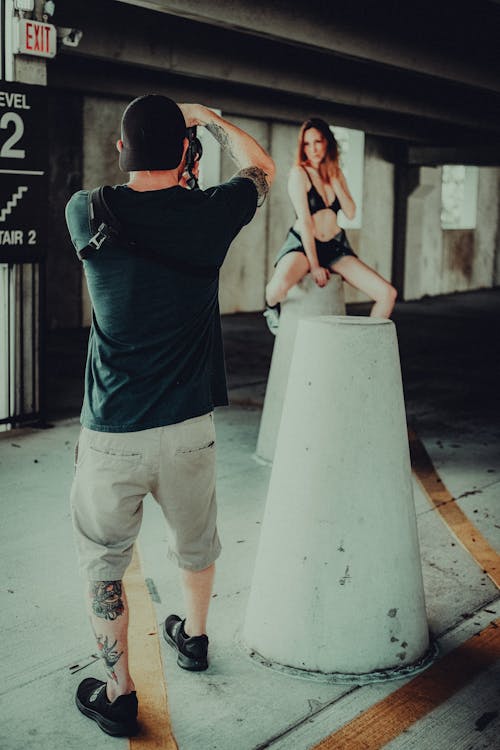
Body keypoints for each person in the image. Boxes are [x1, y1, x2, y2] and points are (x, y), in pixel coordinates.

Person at [65, 94, 274, 737]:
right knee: (196, 542)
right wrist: (209, 119)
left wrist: (175, 138)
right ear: (187, 155)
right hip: (188, 430)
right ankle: (196, 636)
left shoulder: (87, 210)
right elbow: (262, 167)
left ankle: (119, 689)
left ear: (122, 148)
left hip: (111, 435)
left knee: (105, 562)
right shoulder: (210, 214)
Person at [263, 117, 396, 333]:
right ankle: (270, 309)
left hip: (334, 246)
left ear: (328, 143)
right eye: (307, 144)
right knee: (275, 289)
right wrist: (315, 265)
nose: (313, 149)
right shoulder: (299, 174)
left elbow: (351, 212)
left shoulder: (336, 173)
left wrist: (334, 179)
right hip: (303, 246)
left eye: (318, 142)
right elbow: (305, 221)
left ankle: (365, 339)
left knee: (387, 294)